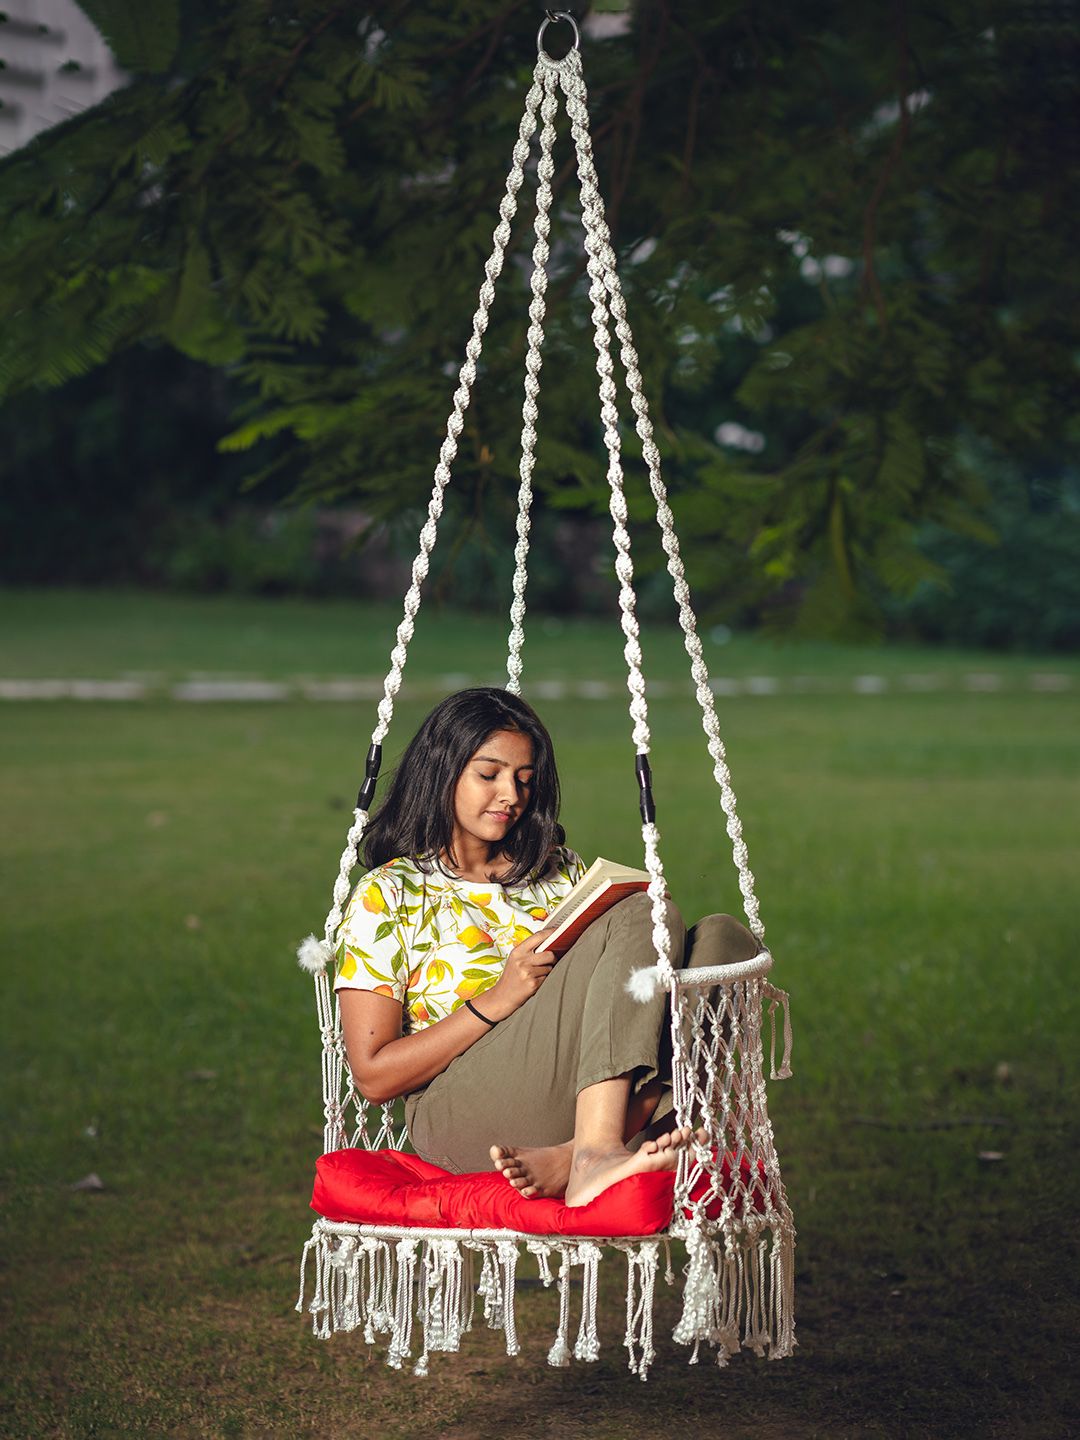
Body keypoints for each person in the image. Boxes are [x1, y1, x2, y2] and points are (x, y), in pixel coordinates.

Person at [335, 687, 760, 1208]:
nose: (510, 795)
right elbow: (374, 1076)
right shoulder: (389, 893)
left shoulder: (560, 871)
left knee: (722, 938)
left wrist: (652, 934)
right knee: (647, 916)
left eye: (524, 779)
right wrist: (497, 1000)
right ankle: (600, 1150)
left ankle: (576, 1151)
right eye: (488, 775)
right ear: (441, 771)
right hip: (463, 1112)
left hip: (576, 1095)